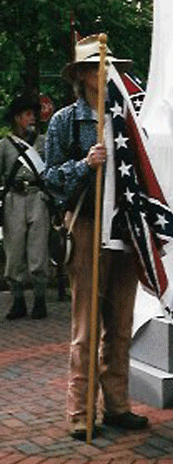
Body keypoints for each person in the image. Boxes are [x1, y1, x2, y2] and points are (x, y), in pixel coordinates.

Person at [44, 34, 148, 441]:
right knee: (86, 325)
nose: (111, 74)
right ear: (85, 74)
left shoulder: (128, 119)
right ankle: (80, 412)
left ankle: (117, 404)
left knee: (121, 323)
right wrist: (85, 166)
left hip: (123, 230)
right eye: (102, 66)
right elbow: (50, 180)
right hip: (86, 226)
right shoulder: (66, 121)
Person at [0, 93, 50, 320]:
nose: (32, 119)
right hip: (14, 199)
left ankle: (40, 300)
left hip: (37, 198)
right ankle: (18, 300)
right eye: (28, 115)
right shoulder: (4, 145)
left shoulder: (43, 143)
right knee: (14, 250)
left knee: (38, 250)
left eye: (34, 115)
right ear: (17, 117)